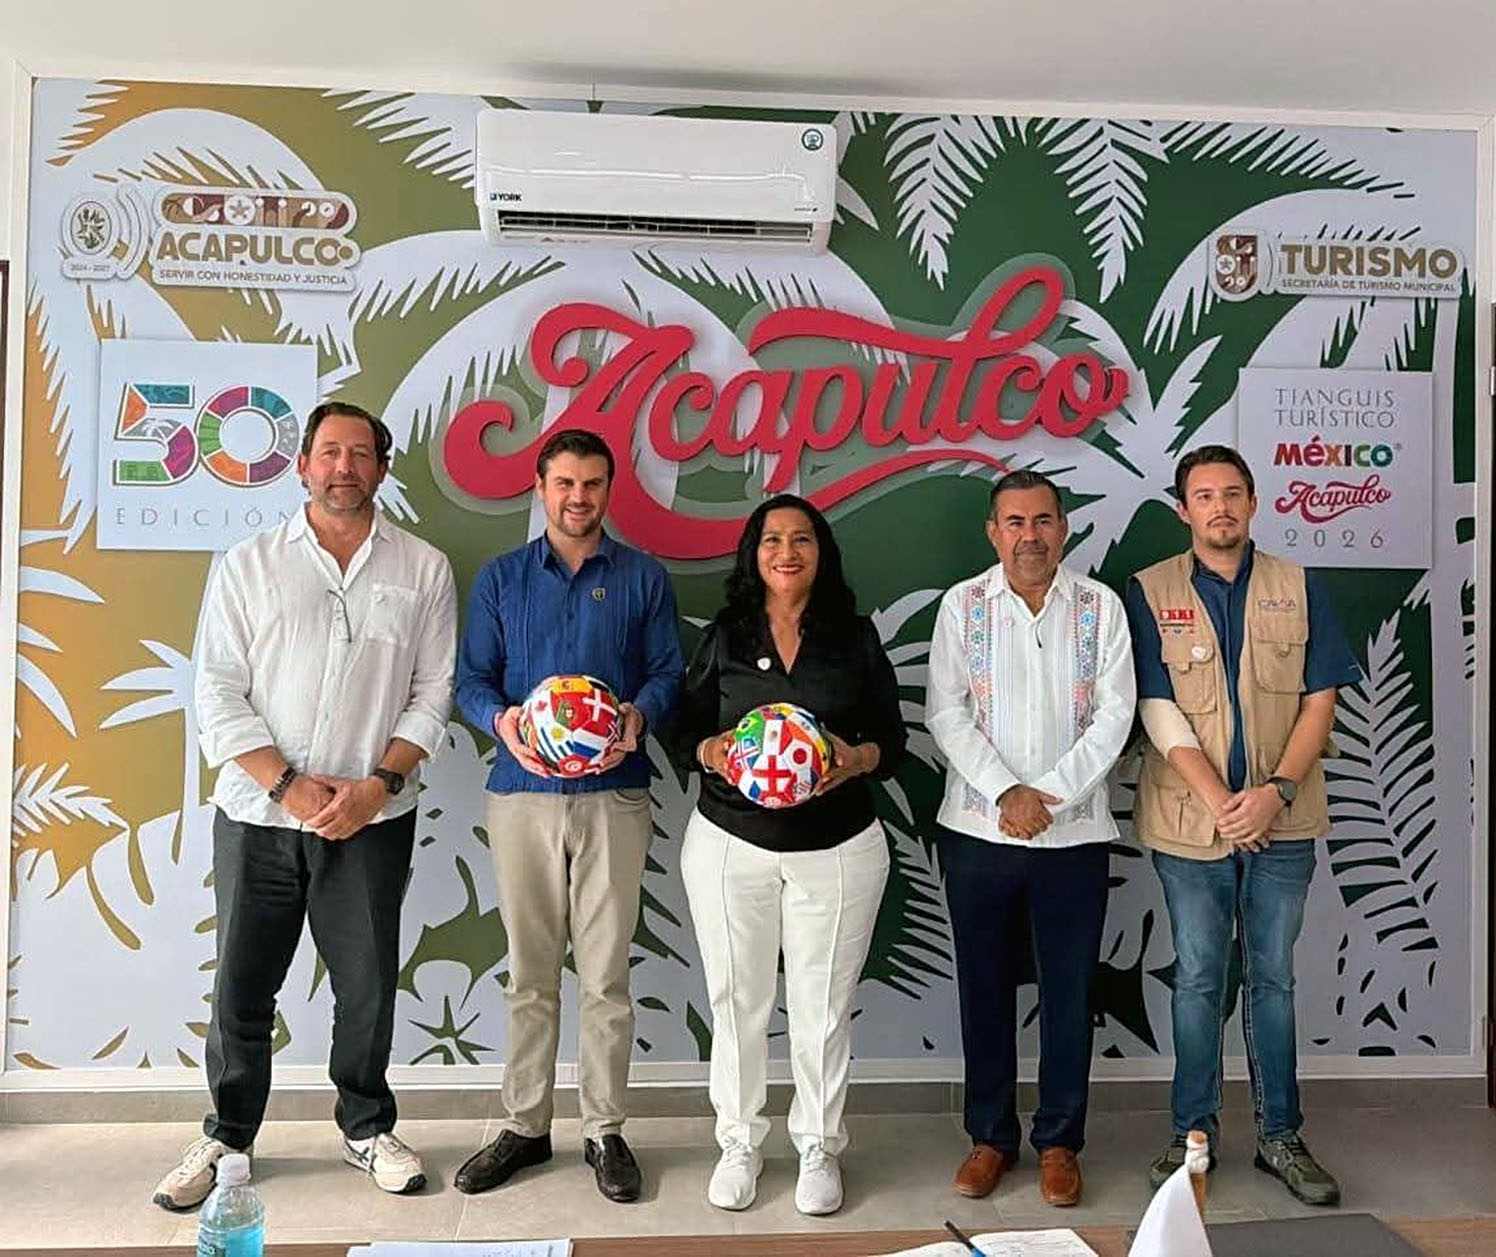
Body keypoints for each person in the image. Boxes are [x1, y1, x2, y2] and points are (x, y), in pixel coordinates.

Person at [153, 401, 457, 1210]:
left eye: (360, 454)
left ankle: (367, 1127)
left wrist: (375, 786)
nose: (343, 467)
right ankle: (228, 1135)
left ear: (382, 468)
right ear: (303, 465)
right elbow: (217, 693)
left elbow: (433, 694)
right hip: (258, 815)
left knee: (368, 986)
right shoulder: (248, 563)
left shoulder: (423, 568)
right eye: (329, 452)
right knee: (242, 984)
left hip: (371, 817)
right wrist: (288, 784)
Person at [452, 428, 684, 1203]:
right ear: (541, 487)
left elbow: (667, 672)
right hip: (521, 793)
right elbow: (471, 679)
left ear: (608, 491)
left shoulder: (643, 578)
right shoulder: (502, 578)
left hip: (615, 795)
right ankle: (524, 1124)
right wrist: (503, 721)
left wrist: (639, 717)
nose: (577, 497)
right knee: (531, 970)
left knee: (607, 973)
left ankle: (604, 1129)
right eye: (564, 483)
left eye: (591, 484)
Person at [1125, 445, 1359, 1207]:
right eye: (1204, 495)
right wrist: (1228, 803)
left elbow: (1320, 702)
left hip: (1283, 823)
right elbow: (1156, 707)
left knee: (1272, 978)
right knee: (1198, 977)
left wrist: (1274, 794)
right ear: (1183, 509)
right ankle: (1192, 1135)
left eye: (1232, 493)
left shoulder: (1300, 585)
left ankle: (1280, 1135)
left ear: (1254, 503)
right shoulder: (1149, 589)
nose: (1219, 507)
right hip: (1190, 826)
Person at [674, 493, 905, 1216]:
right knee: (736, 999)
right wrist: (714, 749)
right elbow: (683, 731)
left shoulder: (854, 636)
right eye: (772, 539)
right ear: (754, 553)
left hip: (838, 848)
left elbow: (893, 740)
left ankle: (818, 1146)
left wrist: (856, 758)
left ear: (821, 552)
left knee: (822, 1009)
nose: (786, 551)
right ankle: (739, 1142)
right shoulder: (726, 635)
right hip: (728, 843)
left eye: (801, 538)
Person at [927, 469, 1135, 1208]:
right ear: (994, 532)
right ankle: (990, 1137)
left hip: (1073, 836)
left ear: (1064, 527)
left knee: (1069, 993)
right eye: (1014, 523)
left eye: (1043, 520)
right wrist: (1006, 793)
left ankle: (1059, 1143)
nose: (1030, 536)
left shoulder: (1102, 608)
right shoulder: (962, 606)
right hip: (978, 832)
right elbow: (946, 713)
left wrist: (1047, 796)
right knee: (983, 987)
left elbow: (1117, 715)